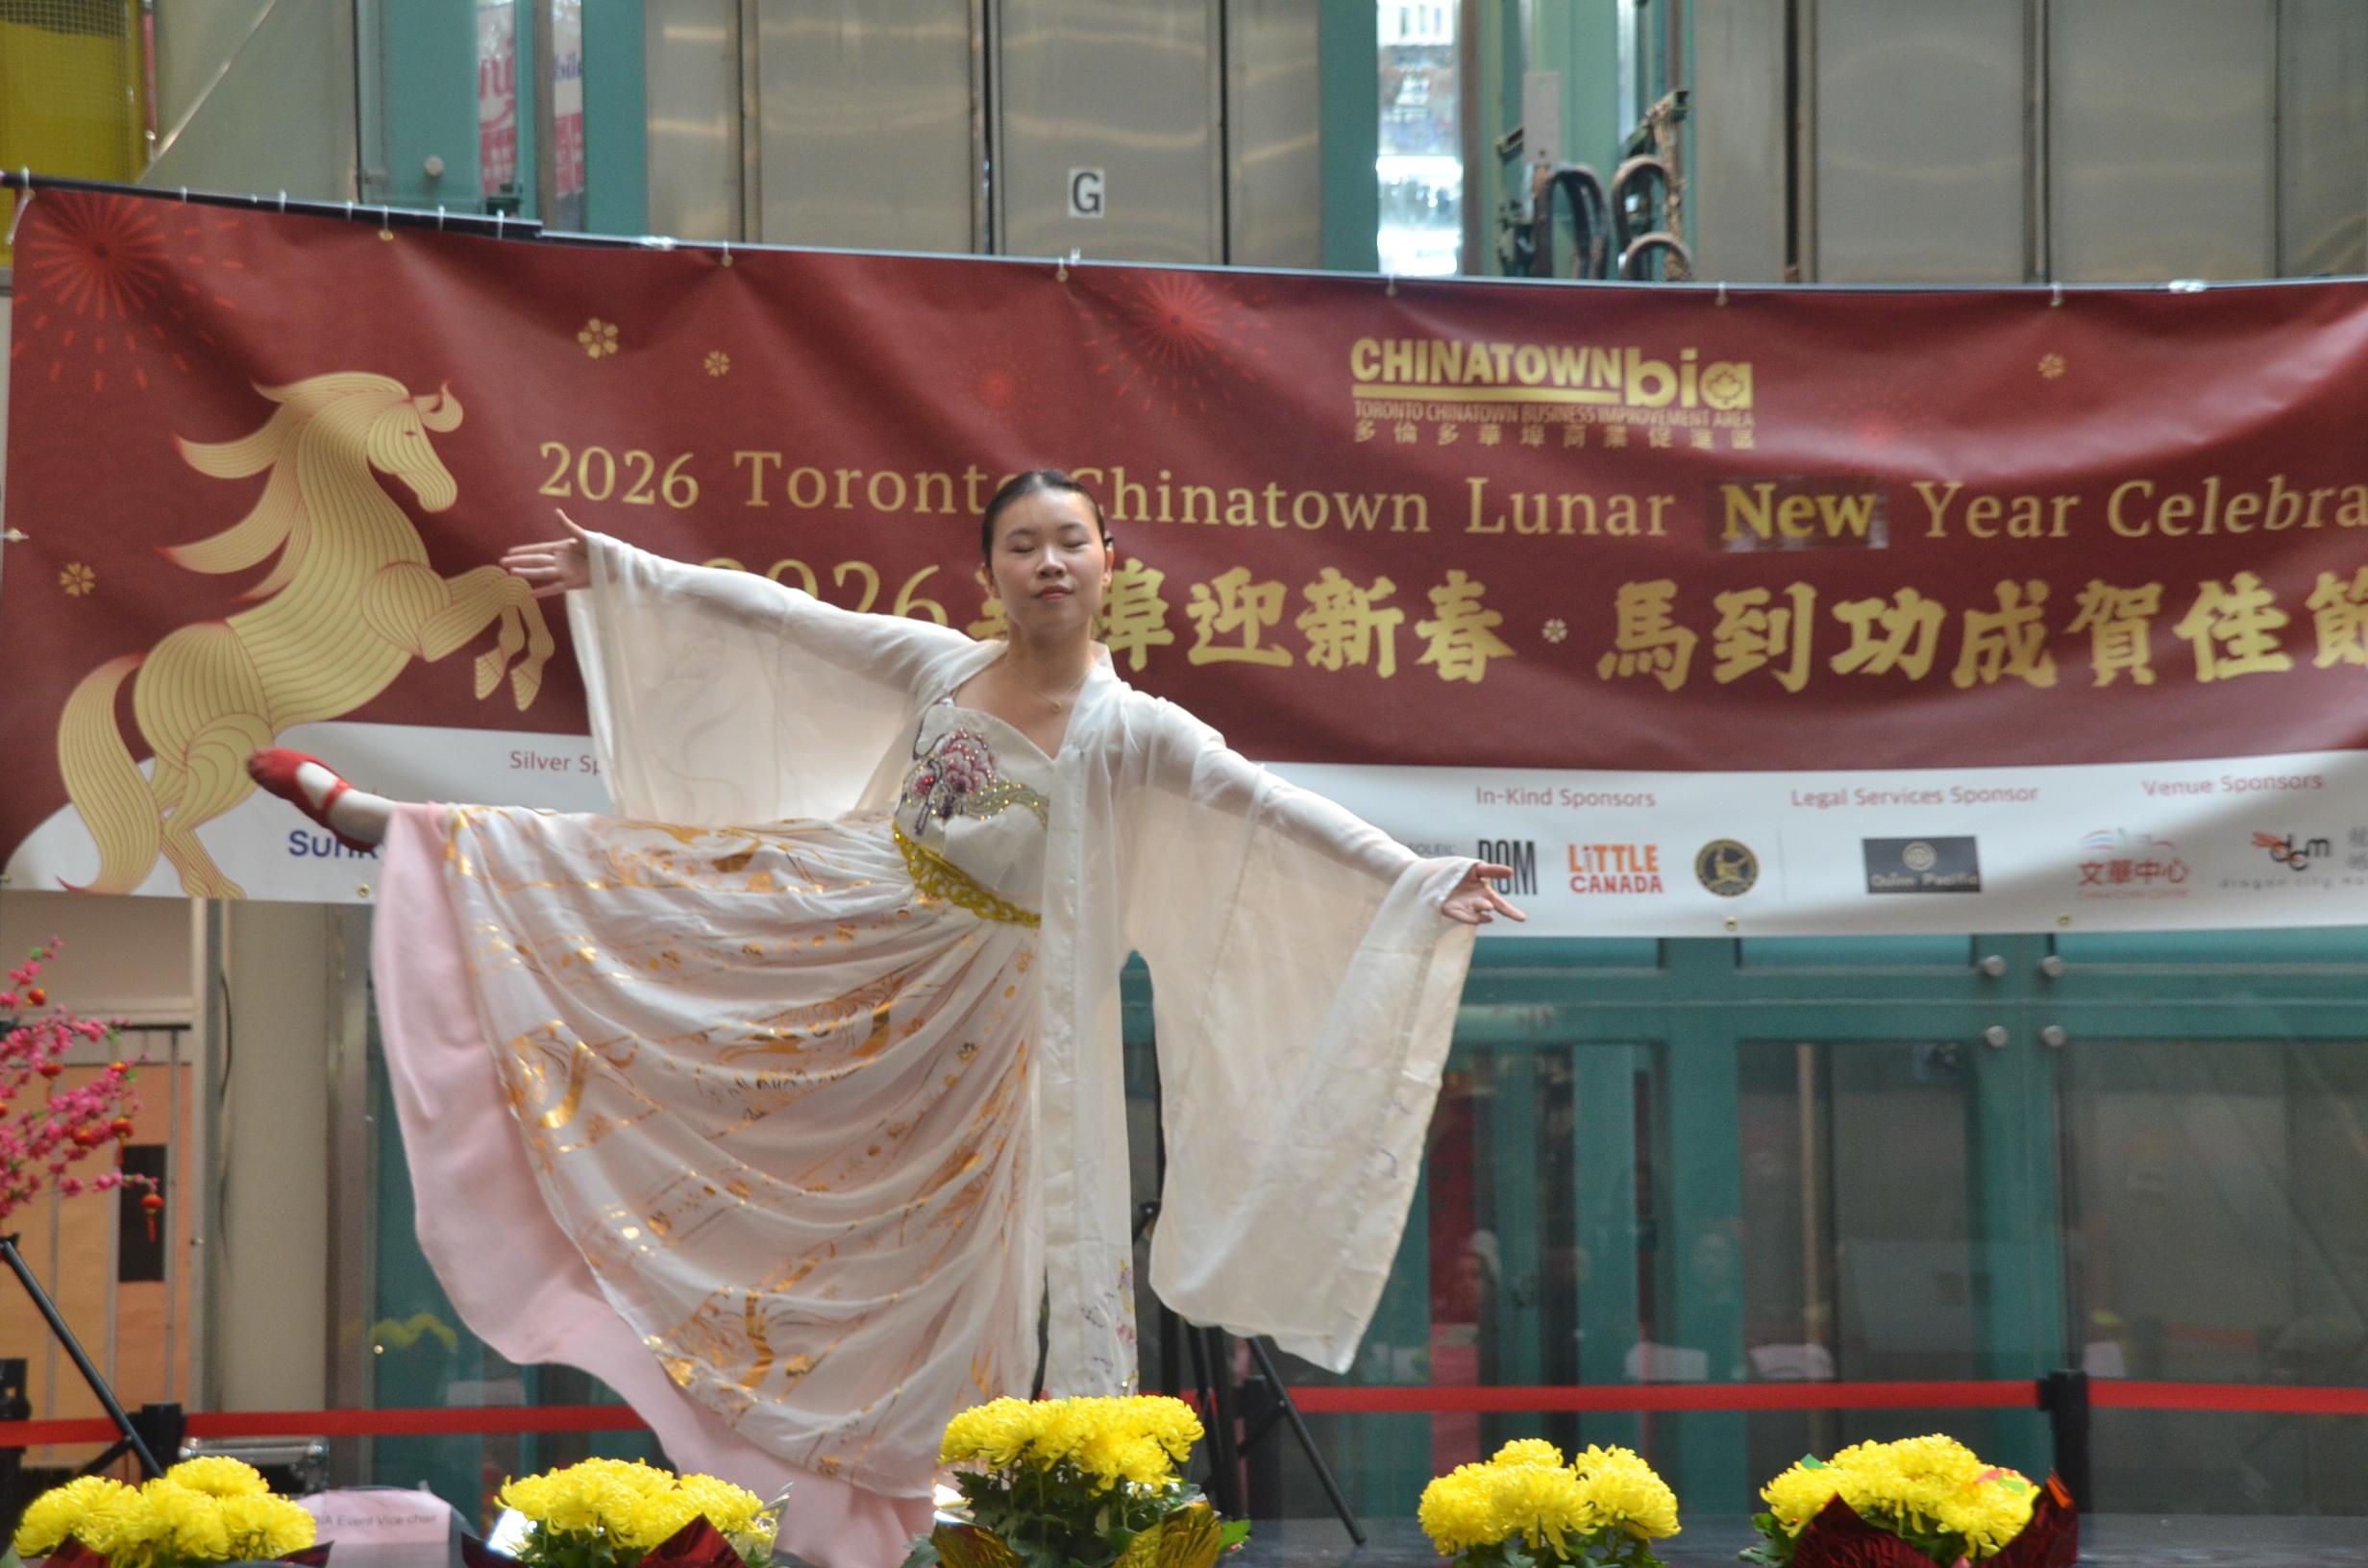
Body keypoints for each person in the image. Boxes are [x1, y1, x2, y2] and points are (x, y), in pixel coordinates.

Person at [248, 471, 1520, 1568]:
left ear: (1108, 564)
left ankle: (895, 1507)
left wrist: (1415, 879)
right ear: (991, 571)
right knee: (654, 883)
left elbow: (1267, 806)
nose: (1048, 563)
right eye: (1022, 546)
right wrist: (623, 571)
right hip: (851, 910)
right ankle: (394, 826)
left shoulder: (1138, 731)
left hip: (969, 1022)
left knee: (922, 1257)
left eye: (1069, 542)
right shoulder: (942, 666)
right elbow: (785, 619)